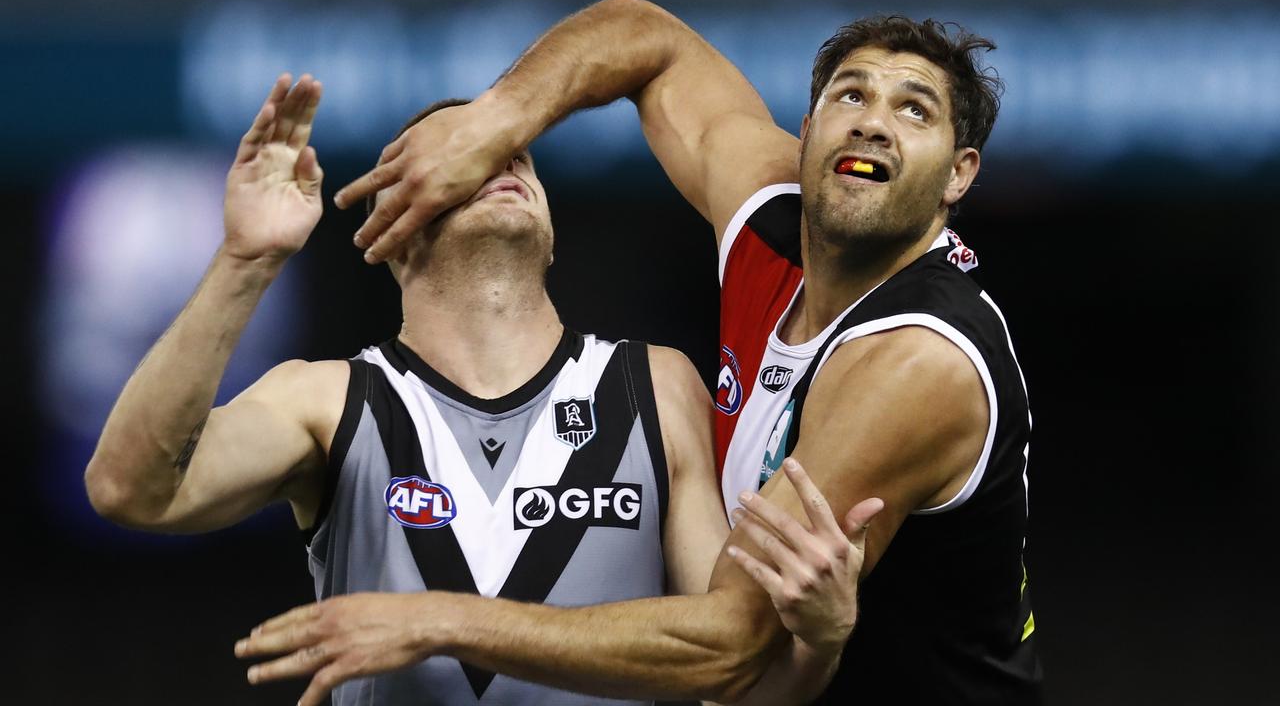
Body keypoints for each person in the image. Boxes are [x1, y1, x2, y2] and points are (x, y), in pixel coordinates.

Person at [240, 0, 1042, 705]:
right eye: (852, 93)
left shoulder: (914, 359)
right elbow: (645, 36)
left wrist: (439, 617)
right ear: (806, 134)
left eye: (915, 111)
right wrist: (495, 123)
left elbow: (731, 644)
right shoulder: (772, 218)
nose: (873, 120)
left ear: (957, 177)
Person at [84, 75, 881, 706]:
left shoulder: (655, 384)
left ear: (549, 223)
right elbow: (130, 489)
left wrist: (821, 640)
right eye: (458, 157)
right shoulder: (330, 400)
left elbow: (732, 677)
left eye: (516, 154)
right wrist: (244, 261)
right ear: (387, 225)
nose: (502, 162)